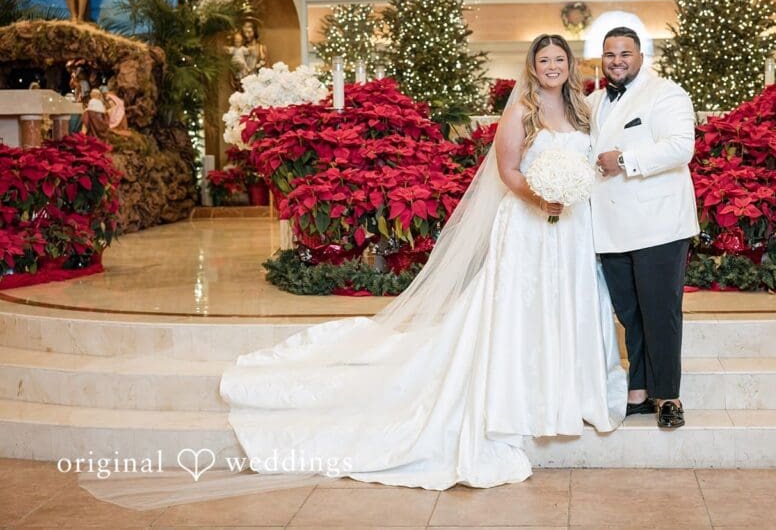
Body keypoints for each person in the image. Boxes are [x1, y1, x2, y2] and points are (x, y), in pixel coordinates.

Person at [216, 34, 625, 490]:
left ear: (570, 65)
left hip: (571, 228)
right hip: (530, 223)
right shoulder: (521, 111)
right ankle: (522, 398)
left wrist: (571, 191)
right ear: (533, 66)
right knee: (521, 307)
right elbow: (508, 170)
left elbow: (589, 165)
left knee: (567, 303)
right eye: (544, 60)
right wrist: (540, 195)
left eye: (559, 59)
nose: (552, 66)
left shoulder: (584, 110)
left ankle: (569, 392)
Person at [590, 26, 699, 429]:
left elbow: (679, 147)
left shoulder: (666, 93)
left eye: (625, 53)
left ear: (640, 56)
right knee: (629, 313)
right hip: (610, 226)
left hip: (659, 225)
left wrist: (624, 160)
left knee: (660, 311)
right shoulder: (594, 101)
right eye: (609, 54)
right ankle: (638, 389)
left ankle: (668, 395)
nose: (617, 61)